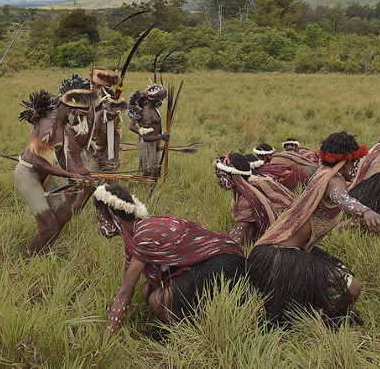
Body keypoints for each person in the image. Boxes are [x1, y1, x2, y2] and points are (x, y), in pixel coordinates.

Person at [248, 132, 380, 326]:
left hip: (273, 254)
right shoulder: (334, 181)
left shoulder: (321, 175)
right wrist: (366, 212)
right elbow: (342, 199)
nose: (356, 167)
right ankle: (323, 325)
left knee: (339, 275)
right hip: (282, 260)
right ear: (344, 163)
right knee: (351, 288)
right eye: (354, 162)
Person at [94, 183, 246, 340]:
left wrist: (105, 339)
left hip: (220, 262)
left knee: (157, 299)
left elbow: (125, 291)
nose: (99, 227)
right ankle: (174, 325)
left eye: (101, 221)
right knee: (147, 291)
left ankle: (186, 334)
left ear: (116, 220)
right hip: (212, 258)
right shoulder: (139, 228)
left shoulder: (143, 237)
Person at [15, 90, 91, 253]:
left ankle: (44, 249)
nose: (80, 120)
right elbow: (38, 163)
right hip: (28, 174)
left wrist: (78, 175)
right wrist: (70, 175)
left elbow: (62, 157)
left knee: (64, 215)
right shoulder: (49, 123)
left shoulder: (62, 124)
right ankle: (31, 259)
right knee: (48, 226)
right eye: (80, 115)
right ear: (70, 109)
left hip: (44, 175)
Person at [215, 153, 295, 246]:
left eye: (221, 177)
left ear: (234, 177)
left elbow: (238, 242)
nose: (218, 181)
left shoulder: (245, 201)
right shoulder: (247, 191)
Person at [128, 84, 170, 178]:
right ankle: (147, 190)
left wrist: (160, 139)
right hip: (148, 143)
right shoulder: (145, 113)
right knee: (149, 171)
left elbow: (158, 127)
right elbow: (133, 127)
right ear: (152, 99)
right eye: (159, 99)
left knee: (157, 169)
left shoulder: (154, 109)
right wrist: (142, 132)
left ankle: (153, 188)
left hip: (156, 142)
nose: (161, 101)